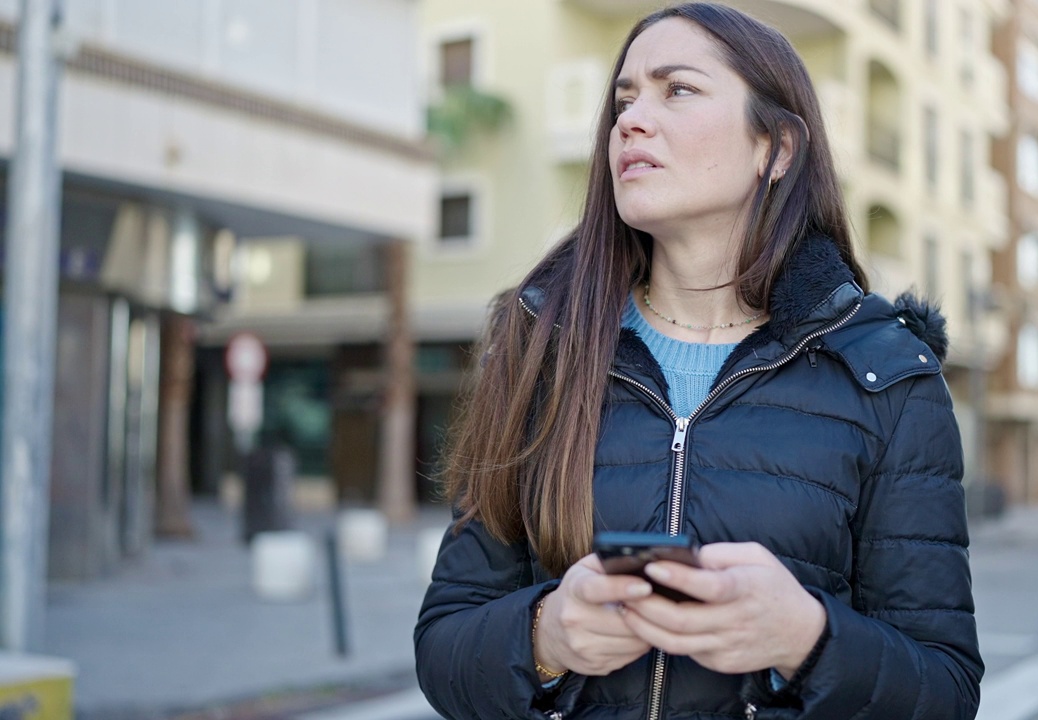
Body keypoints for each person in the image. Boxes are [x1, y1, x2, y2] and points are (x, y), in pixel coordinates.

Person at [414, 3, 983, 718]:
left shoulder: (888, 379)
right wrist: (545, 635)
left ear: (774, 148)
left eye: (676, 90)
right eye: (624, 99)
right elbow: (443, 647)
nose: (630, 120)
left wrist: (806, 638)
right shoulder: (538, 349)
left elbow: (946, 692)